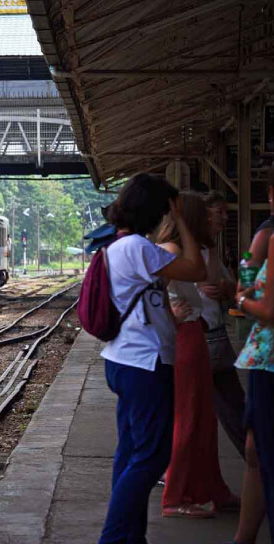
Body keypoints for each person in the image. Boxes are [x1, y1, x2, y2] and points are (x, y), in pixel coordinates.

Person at [97, 174, 206, 544]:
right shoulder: (139, 249)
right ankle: (113, 539)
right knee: (152, 456)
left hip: (122, 359)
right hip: (144, 362)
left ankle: (131, 537)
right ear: (159, 211)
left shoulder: (119, 246)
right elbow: (196, 268)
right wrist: (184, 221)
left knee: (130, 452)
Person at [156, 192, 237, 518]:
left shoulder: (193, 250)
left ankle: (208, 487)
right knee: (188, 419)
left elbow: (210, 277)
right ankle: (176, 495)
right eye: (205, 215)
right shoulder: (171, 250)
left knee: (202, 421)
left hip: (196, 334)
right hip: (186, 336)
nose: (213, 220)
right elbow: (148, 291)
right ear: (191, 219)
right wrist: (169, 312)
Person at [229, 164, 274, 544]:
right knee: (255, 448)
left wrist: (243, 298)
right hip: (263, 357)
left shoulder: (268, 233)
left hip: (269, 357)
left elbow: (247, 267)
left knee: (260, 447)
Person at [200, 191, 246, 458]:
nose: (226, 219)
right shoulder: (194, 248)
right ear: (204, 214)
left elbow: (232, 288)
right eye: (221, 212)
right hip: (205, 338)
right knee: (232, 407)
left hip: (213, 336)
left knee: (230, 407)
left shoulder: (210, 249)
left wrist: (228, 288)